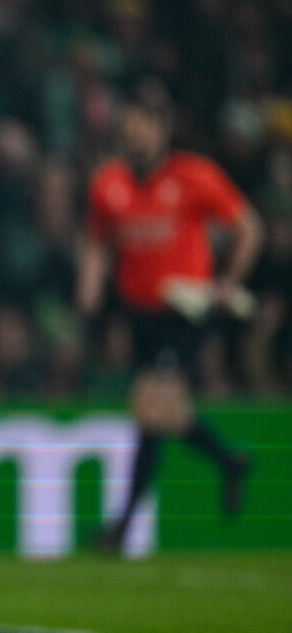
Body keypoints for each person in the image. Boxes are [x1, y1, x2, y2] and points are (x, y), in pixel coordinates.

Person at [77, 79, 263, 552]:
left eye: (145, 126)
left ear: (162, 129)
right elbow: (99, 241)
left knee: (149, 402)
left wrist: (229, 281)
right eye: (130, 126)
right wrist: (91, 286)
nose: (136, 134)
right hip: (138, 312)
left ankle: (120, 528)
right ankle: (228, 460)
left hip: (184, 312)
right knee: (156, 416)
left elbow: (248, 228)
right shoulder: (109, 183)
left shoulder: (193, 176)